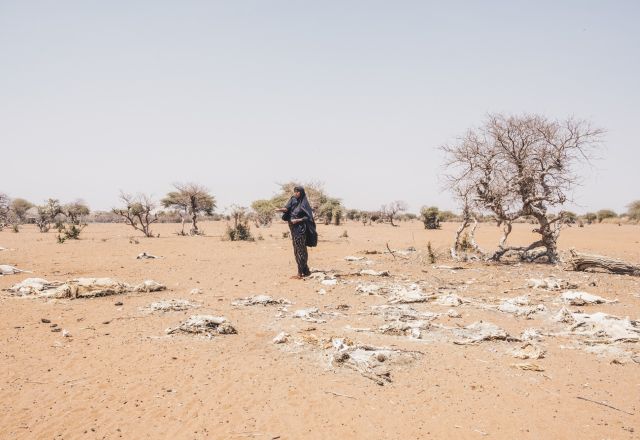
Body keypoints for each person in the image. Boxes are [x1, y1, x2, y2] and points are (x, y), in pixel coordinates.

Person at [276, 186, 317, 278]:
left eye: (298, 192)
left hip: (300, 230)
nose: (296, 193)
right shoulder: (293, 200)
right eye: (295, 191)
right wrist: (280, 209)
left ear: (301, 193)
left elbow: (308, 217)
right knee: (296, 250)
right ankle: (305, 270)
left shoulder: (304, 203)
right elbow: (287, 208)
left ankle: (300, 273)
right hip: (293, 229)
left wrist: (298, 220)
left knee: (301, 250)